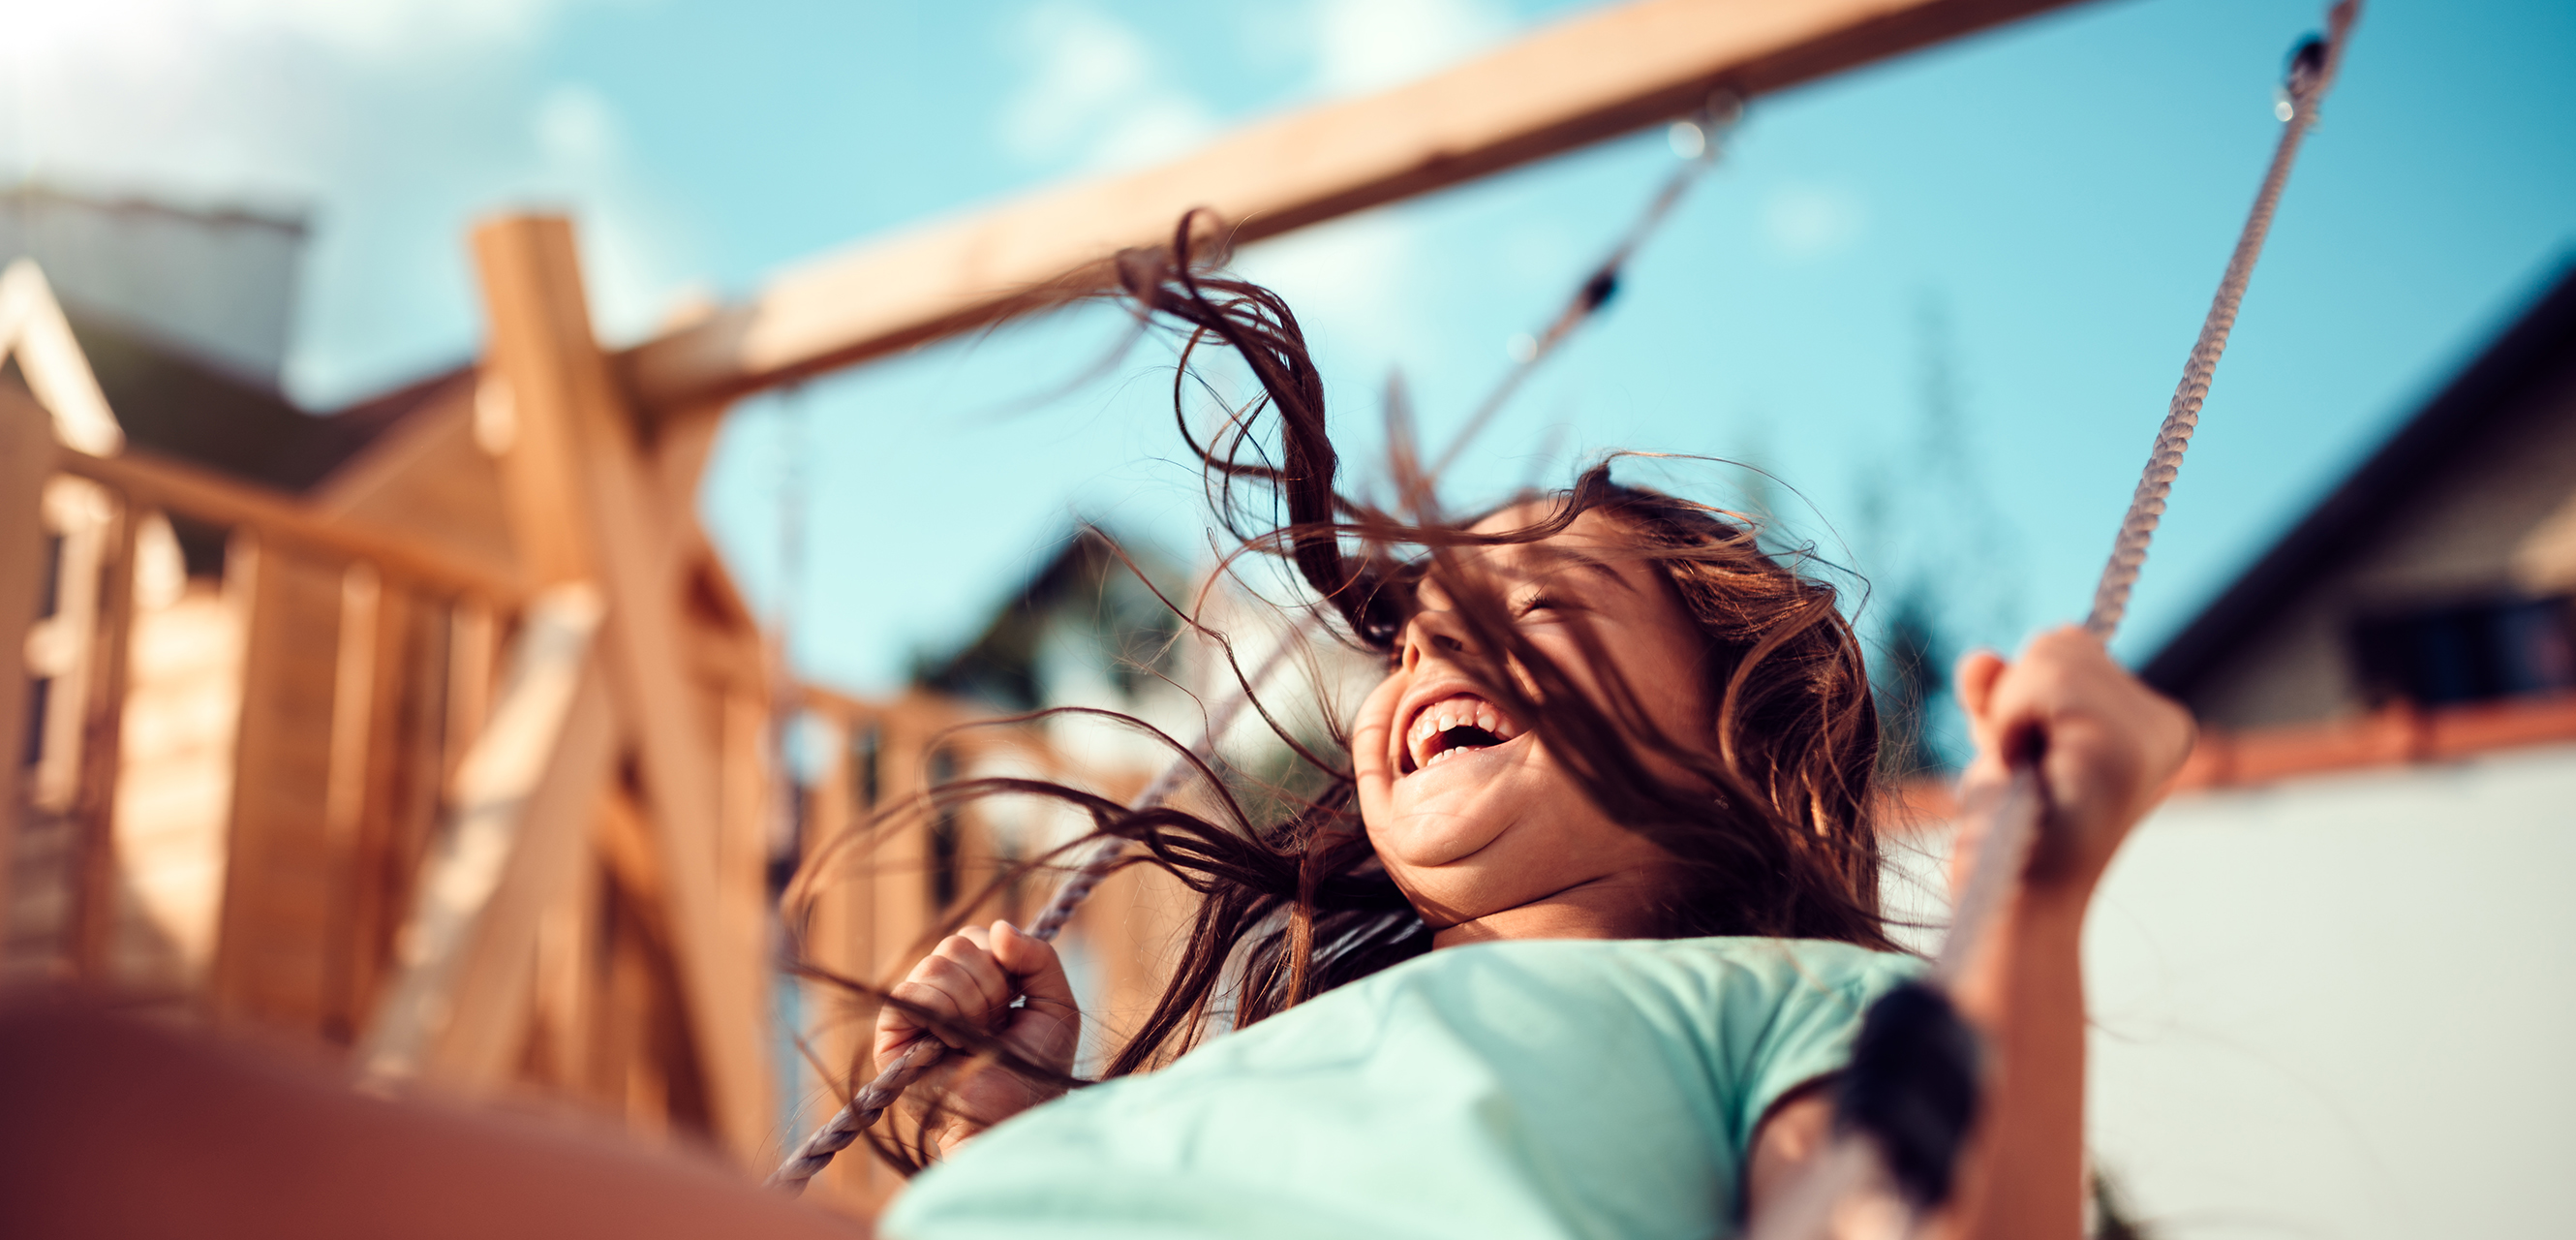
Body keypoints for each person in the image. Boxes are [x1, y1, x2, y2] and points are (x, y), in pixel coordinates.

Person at [0, 245, 2193, 1240]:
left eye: (1532, 606)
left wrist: (2046, 893)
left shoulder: (1786, 1001)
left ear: (1725, 728)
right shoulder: (1259, 1051)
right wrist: (1003, 1119)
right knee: (89, 1110)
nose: (1439, 636)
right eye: (1428, 617)